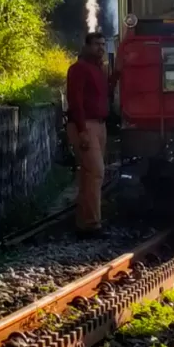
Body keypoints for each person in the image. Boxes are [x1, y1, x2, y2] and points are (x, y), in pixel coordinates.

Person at [66, 31, 110, 236]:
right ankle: (92, 224)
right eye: (97, 44)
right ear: (86, 46)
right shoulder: (78, 69)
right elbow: (75, 100)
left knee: (88, 175)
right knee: (96, 172)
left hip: (100, 125)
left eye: (103, 44)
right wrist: (82, 130)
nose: (101, 48)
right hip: (86, 126)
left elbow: (106, 93)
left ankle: (83, 223)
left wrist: (116, 74)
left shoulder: (98, 70)